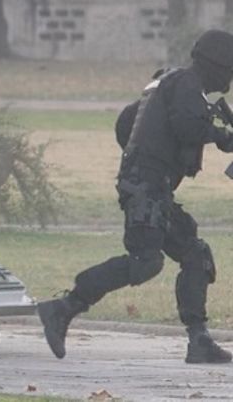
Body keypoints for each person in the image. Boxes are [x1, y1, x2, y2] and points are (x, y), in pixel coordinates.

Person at [37, 29, 233, 364]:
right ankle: (63, 308)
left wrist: (147, 154)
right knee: (146, 262)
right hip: (146, 188)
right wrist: (222, 136)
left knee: (194, 253)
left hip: (150, 187)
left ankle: (198, 339)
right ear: (216, 64)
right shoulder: (185, 85)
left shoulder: (169, 83)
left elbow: (125, 124)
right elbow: (187, 128)